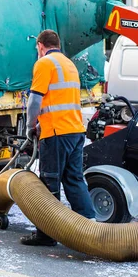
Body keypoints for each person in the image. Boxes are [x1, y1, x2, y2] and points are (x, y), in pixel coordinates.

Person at [21, 29, 96, 247]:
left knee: (49, 181)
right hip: (74, 130)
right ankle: (90, 229)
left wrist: (30, 126)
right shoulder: (68, 64)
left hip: (56, 132)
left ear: (40, 45)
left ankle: (47, 234)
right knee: (74, 179)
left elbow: (35, 100)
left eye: (37, 48)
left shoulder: (44, 63)